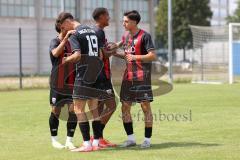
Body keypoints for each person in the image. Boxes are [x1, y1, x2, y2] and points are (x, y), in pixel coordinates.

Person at [57, 12, 104, 152]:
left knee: (78, 109)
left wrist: (66, 60)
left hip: (83, 74)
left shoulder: (75, 34)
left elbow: (77, 55)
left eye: (62, 26)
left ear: (66, 22)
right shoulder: (92, 30)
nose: (63, 29)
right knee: (94, 109)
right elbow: (100, 55)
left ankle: (86, 144)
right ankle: (96, 142)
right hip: (96, 73)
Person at [115, 10, 157, 148]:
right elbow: (125, 52)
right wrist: (113, 51)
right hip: (128, 77)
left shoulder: (145, 36)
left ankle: (147, 140)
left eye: (126, 21)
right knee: (125, 107)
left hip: (141, 77)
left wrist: (135, 57)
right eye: (123, 21)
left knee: (145, 108)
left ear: (134, 22)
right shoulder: (125, 37)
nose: (123, 23)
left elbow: (152, 55)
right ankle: (131, 139)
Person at [48, 21, 77, 150]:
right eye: (69, 25)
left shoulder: (73, 43)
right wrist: (65, 39)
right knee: (56, 111)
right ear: (62, 27)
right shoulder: (54, 41)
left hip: (72, 82)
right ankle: (54, 140)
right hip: (58, 83)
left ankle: (69, 140)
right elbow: (55, 53)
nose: (72, 27)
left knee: (73, 110)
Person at [91, 7, 117, 147]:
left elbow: (103, 51)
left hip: (97, 74)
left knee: (99, 106)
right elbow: (104, 55)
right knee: (112, 105)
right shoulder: (99, 32)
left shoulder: (95, 32)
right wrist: (115, 50)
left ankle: (98, 138)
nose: (109, 18)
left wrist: (115, 46)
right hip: (101, 76)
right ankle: (96, 135)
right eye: (107, 15)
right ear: (101, 17)